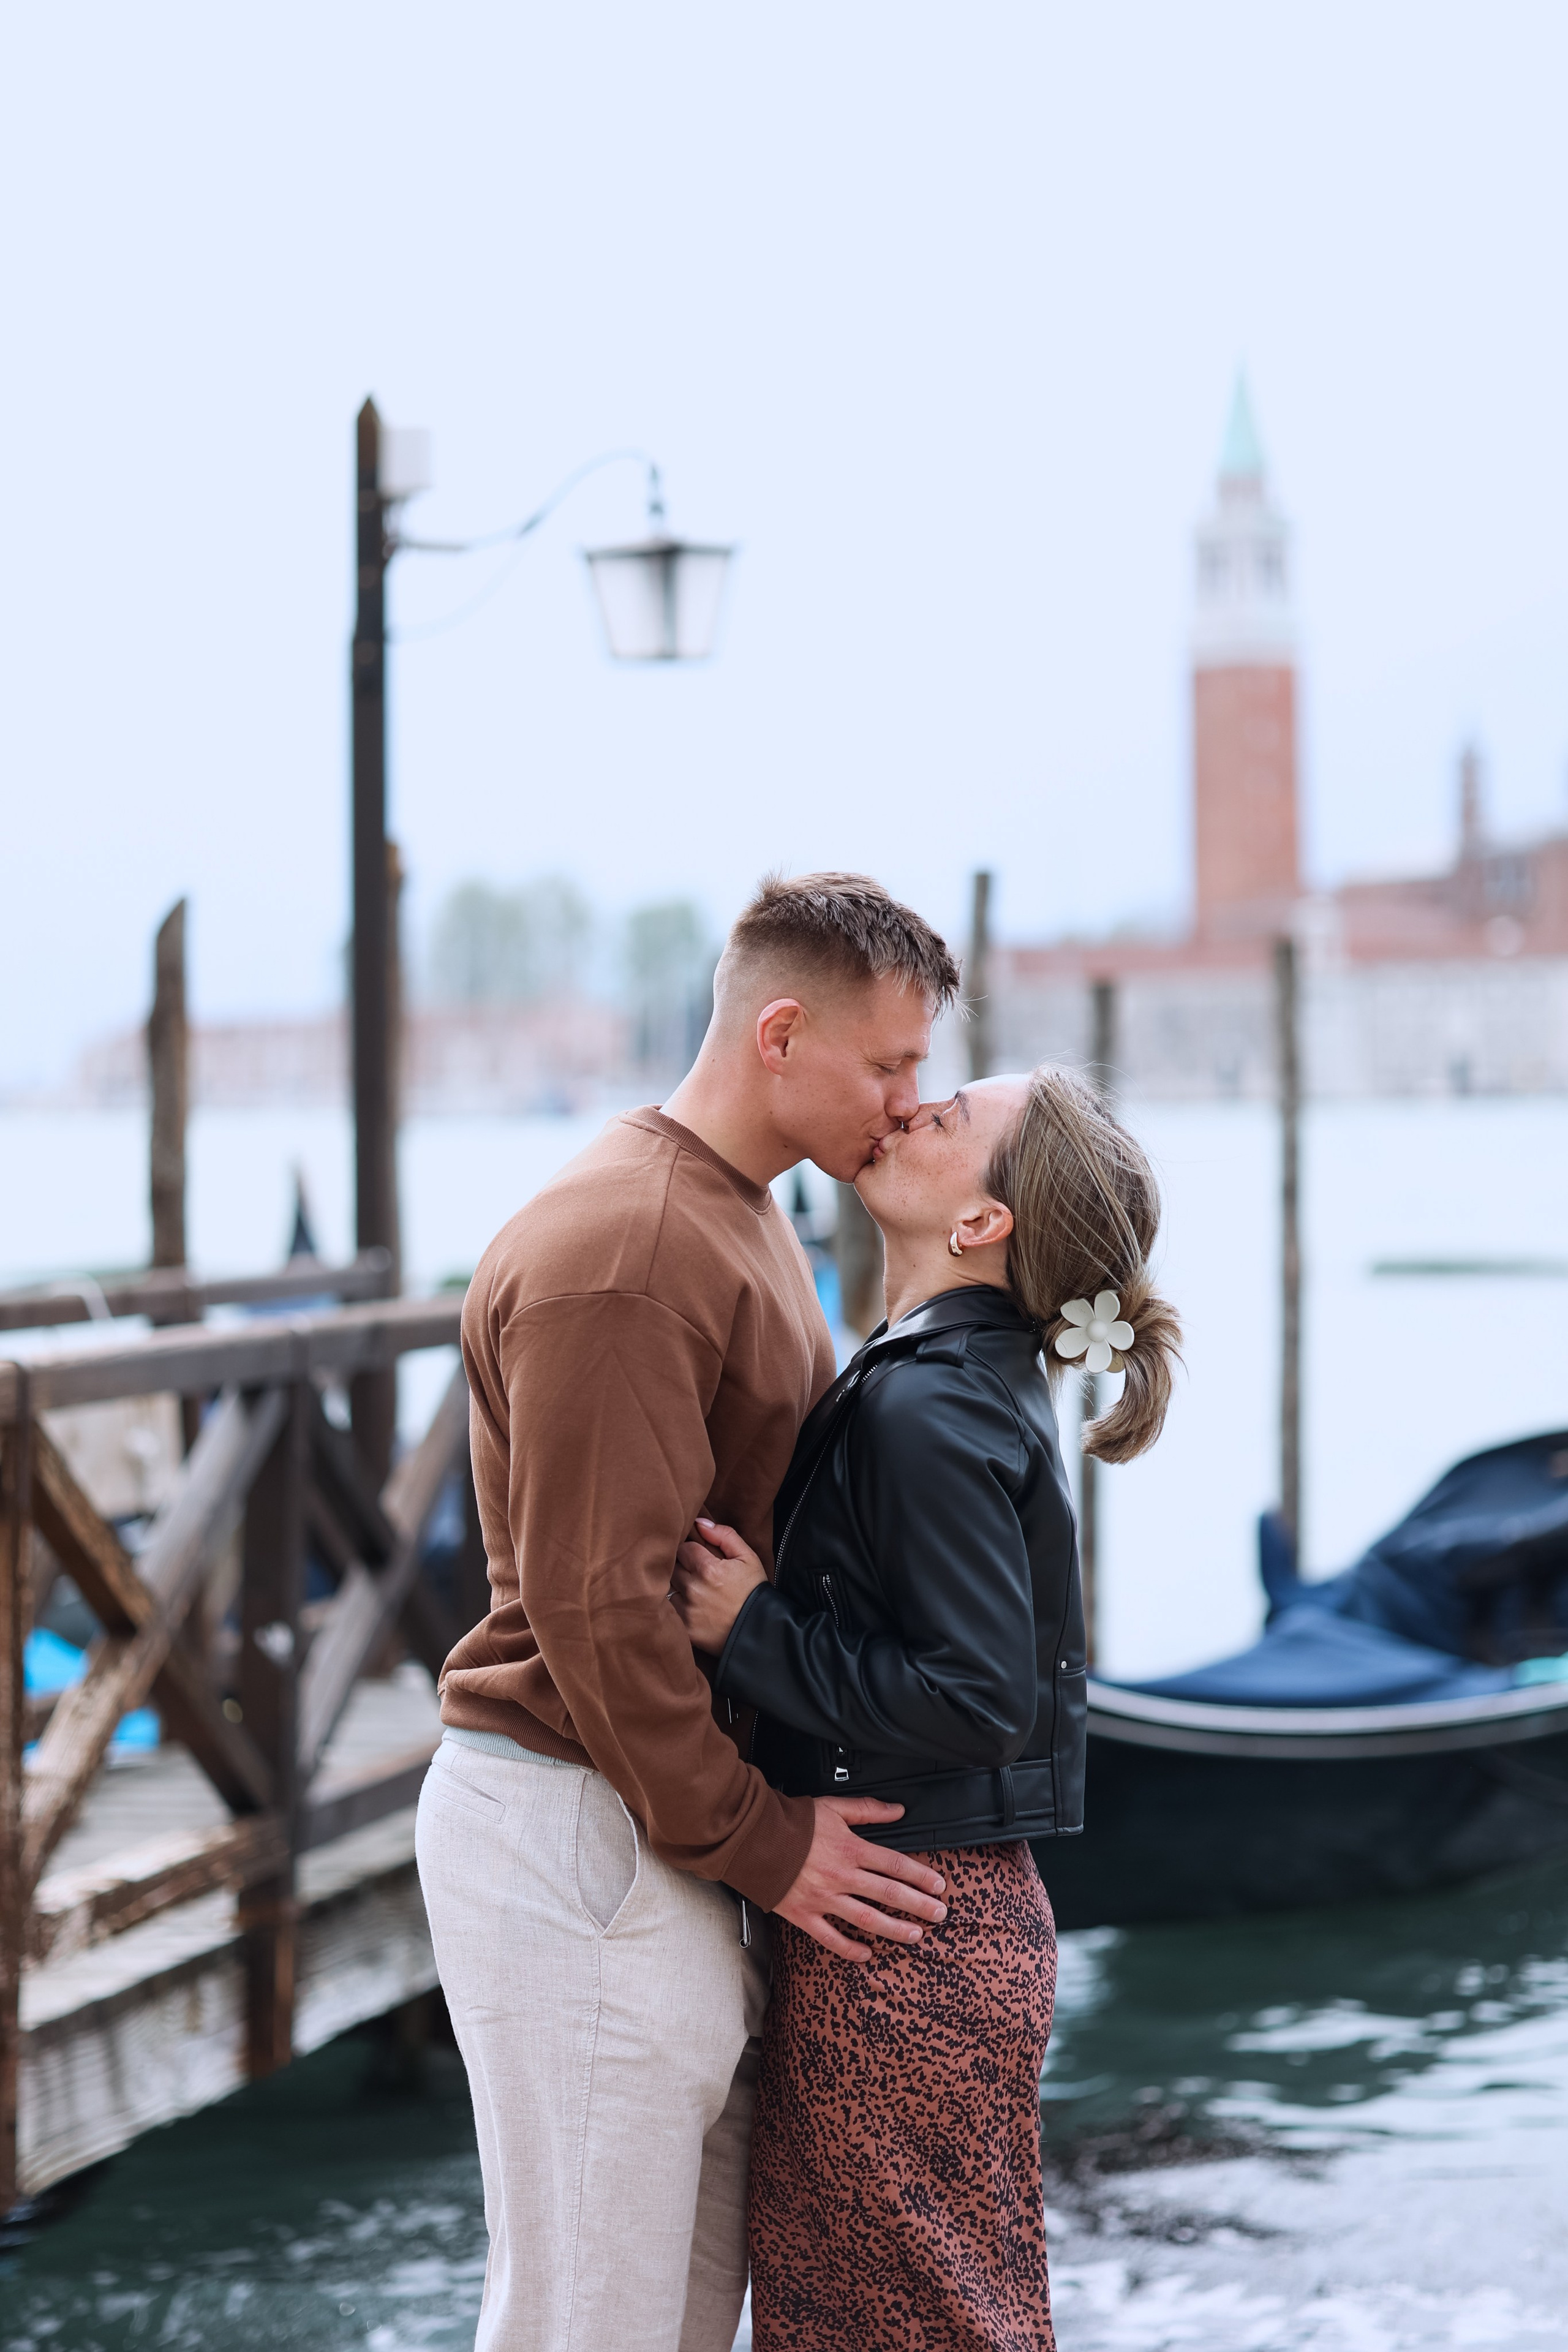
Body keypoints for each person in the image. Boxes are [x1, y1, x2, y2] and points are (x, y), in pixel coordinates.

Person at [415, 873, 961, 2352]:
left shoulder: (739, 1210)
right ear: (779, 1032)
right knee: (584, 2329)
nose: (913, 1102)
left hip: (642, 1826)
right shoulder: (635, 1249)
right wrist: (765, 1845)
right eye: (888, 1064)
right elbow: (598, 1611)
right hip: (581, 1825)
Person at [673, 1064, 1182, 2351]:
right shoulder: (953, 1379)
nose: (908, 1109)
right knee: (935, 2315)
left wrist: (752, 1632)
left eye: (946, 1116)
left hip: (902, 1936)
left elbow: (973, 1694)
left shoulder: (925, 1402)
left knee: (902, 2323)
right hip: (939, 1916)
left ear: (980, 1226)